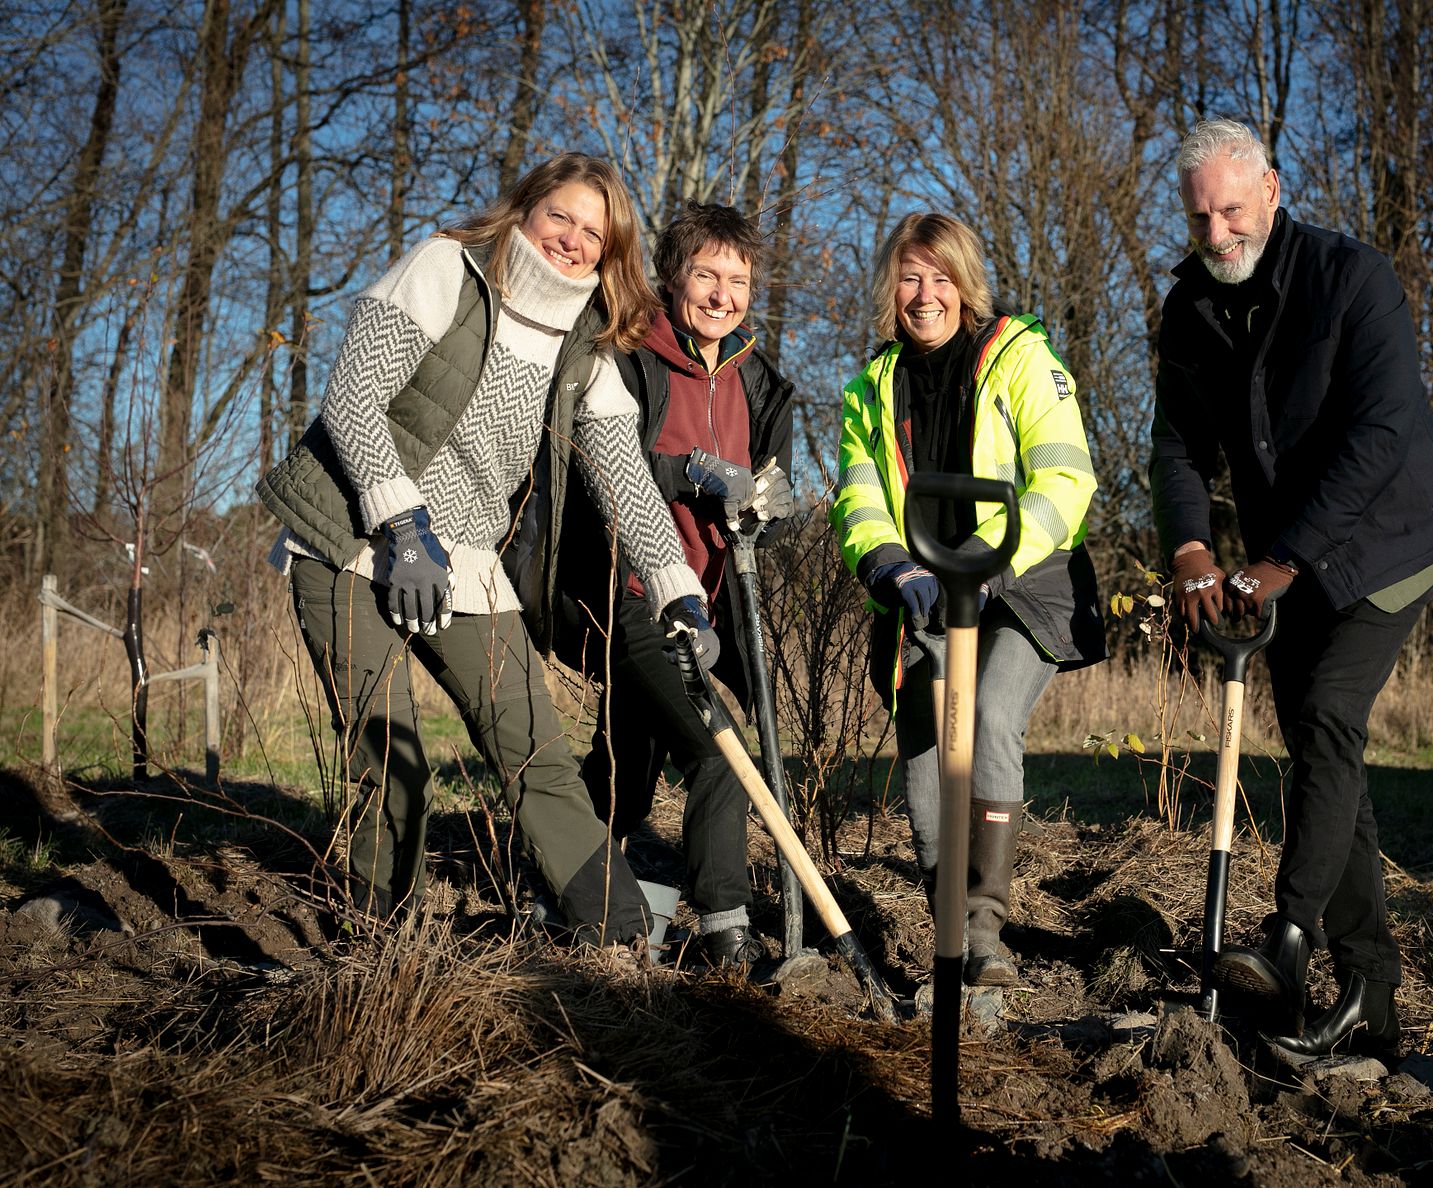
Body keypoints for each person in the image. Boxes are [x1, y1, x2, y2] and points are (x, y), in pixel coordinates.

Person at [258, 153, 713, 948]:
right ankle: (378, 950)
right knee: (389, 756)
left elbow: (626, 481)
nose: (572, 240)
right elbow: (352, 399)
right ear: (525, 210)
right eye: (561, 216)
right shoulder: (447, 270)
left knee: (538, 757)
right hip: (352, 543)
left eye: (593, 233)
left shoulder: (587, 345)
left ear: (611, 254)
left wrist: (677, 587)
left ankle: (625, 943)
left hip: (465, 560)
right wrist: (402, 526)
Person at [1149, 119, 1433, 1056]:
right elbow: (1177, 448)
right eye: (1201, 217)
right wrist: (1195, 556)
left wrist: (1280, 561)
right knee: (1329, 768)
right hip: (1282, 556)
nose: (1217, 236)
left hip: (1395, 537)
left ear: (1275, 193)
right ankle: (1369, 997)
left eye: (1234, 211)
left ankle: (1288, 940)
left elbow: (1379, 436)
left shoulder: (1353, 279)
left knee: (1330, 711)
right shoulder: (1191, 309)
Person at [830, 212, 1105, 986]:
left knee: (985, 715)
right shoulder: (872, 387)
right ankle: (946, 922)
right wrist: (894, 567)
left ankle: (983, 936)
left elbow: (1065, 477)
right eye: (911, 278)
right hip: (924, 586)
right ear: (892, 287)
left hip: (1026, 581)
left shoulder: (1019, 357)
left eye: (941, 278)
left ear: (965, 284)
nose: (925, 295)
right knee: (925, 753)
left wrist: (994, 566)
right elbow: (858, 501)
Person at [552, 203, 796, 967]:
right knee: (719, 755)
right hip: (634, 592)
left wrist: (766, 506)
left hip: (709, 601)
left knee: (629, 756)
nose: (723, 295)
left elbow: (764, 494)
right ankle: (726, 923)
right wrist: (687, 475)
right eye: (707, 275)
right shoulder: (631, 354)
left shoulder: (758, 377)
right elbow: (596, 458)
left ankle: (559, 890)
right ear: (673, 276)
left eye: (739, 280)